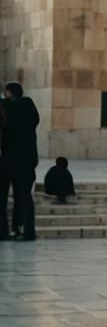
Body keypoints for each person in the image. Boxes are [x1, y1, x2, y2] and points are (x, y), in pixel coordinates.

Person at [0, 82, 39, 242]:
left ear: (9, 93)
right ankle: (24, 230)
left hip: (7, 160)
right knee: (24, 197)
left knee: (2, 197)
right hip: (27, 160)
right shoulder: (28, 106)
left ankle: (3, 231)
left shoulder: (5, 106)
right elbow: (35, 120)